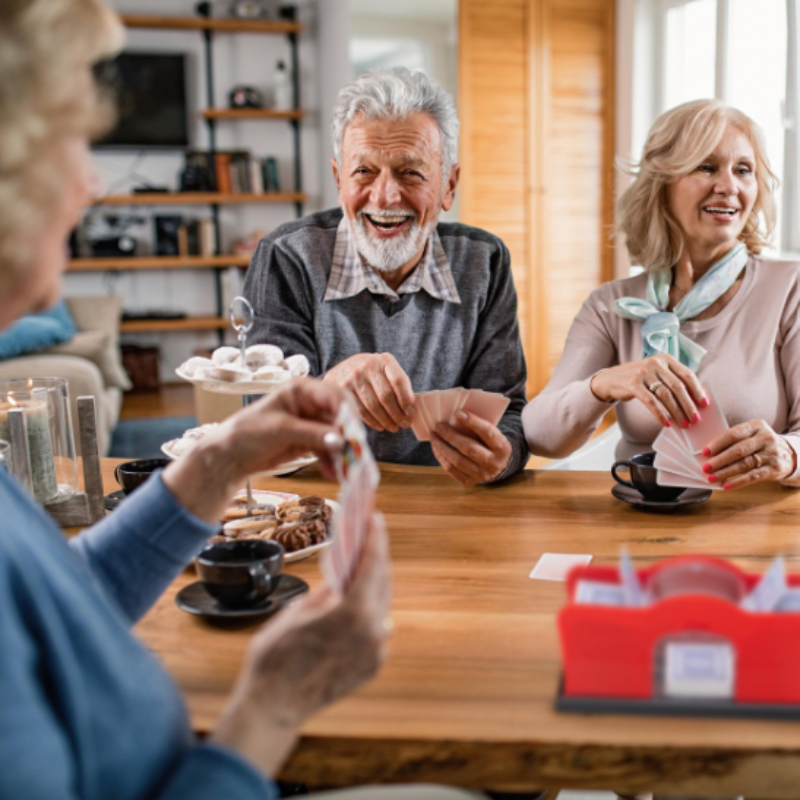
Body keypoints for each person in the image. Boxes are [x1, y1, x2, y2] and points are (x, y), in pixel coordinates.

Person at [0, 3, 486, 799]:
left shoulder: (481, 262)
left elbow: (58, 601)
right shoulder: (290, 255)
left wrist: (221, 460)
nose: (91, 180)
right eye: (71, 141)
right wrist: (276, 702)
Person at [243, 67, 528, 487]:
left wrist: (500, 457)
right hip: (320, 496)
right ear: (339, 180)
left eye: (411, 172)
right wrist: (326, 390)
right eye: (364, 172)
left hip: (446, 502)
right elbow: (261, 421)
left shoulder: (484, 262)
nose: (385, 196)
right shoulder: (286, 257)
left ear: (449, 185)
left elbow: (511, 415)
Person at [523, 99, 800, 490]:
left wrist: (788, 455)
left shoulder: (790, 290)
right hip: (640, 527)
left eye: (743, 170)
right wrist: (605, 384)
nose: (729, 186)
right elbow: (539, 435)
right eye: (706, 166)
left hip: (754, 533)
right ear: (662, 182)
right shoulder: (611, 306)